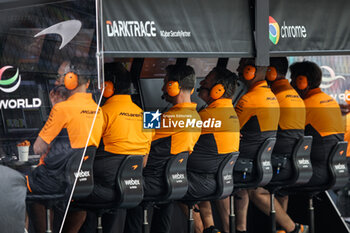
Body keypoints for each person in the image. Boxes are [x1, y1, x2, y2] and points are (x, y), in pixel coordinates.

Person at [26, 61, 104, 233]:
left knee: (19, 184)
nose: (56, 83)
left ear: (71, 79)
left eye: (59, 77)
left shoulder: (63, 109)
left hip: (57, 181)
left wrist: (55, 109)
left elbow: (38, 148)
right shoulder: (99, 111)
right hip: (82, 180)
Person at [124, 64, 201, 233]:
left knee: (130, 186)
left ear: (174, 86)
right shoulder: (197, 118)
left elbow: (139, 134)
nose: (162, 87)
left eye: (165, 82)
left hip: (153, 181)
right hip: (175, 181)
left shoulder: (169, 118)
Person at [76, 62, 153, 233]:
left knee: (68, 190)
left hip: (104, 188)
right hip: (133, 187)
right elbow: (144, 162)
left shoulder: (101, 113)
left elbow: (83, 154)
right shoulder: (147, 116)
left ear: (108, 86)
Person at [248, 57, 308, 233]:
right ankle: (284, 228)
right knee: (280, 190)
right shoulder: (294, 95)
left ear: (270, 72)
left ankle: (293, 228)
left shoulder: (273, 97)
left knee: (254, 191)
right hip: (292, 162)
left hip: (279, 162)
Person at [182, 67, 240, 233]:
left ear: (218, 90)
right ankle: (210, 228)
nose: (201, 83)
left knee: (172, 182)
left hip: (204, 181)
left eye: (205, 82)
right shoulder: (231, 112)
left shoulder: (207, 115)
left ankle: (200, 229)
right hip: (220, 180)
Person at [231, 58, 280, 233]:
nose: (237, 69)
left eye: (241, 66)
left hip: (243, 164)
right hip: (258, 164)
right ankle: (240, 228)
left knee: (216, 174)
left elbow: (230, 129)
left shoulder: (249, 99)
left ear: (250, 71)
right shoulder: (272, 96)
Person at [290, 61, 344, 187]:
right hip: (335, 170)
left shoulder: (305, 105)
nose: (291, 85)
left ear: (302, 82)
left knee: (263, 187)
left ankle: (279, 208)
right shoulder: (332, 101)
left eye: (293, 80)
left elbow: (289, 136)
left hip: (314, 171)